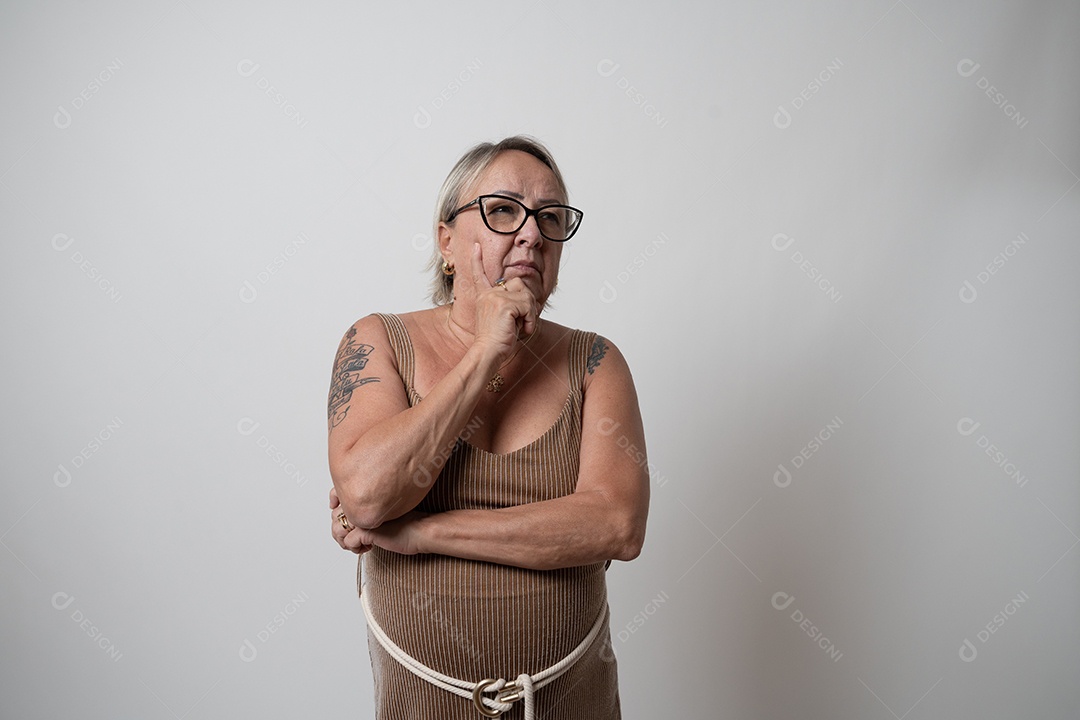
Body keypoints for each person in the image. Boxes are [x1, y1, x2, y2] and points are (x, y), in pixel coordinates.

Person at [326, 135, 650, 719]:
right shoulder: (377, 340)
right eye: (503, 210)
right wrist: (485, 352)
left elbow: (616, 525)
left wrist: (423, 534)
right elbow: (370, 495)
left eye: (551, 218)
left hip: (574, 702)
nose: (532, 233)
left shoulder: (597, 361)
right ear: (446, 241)